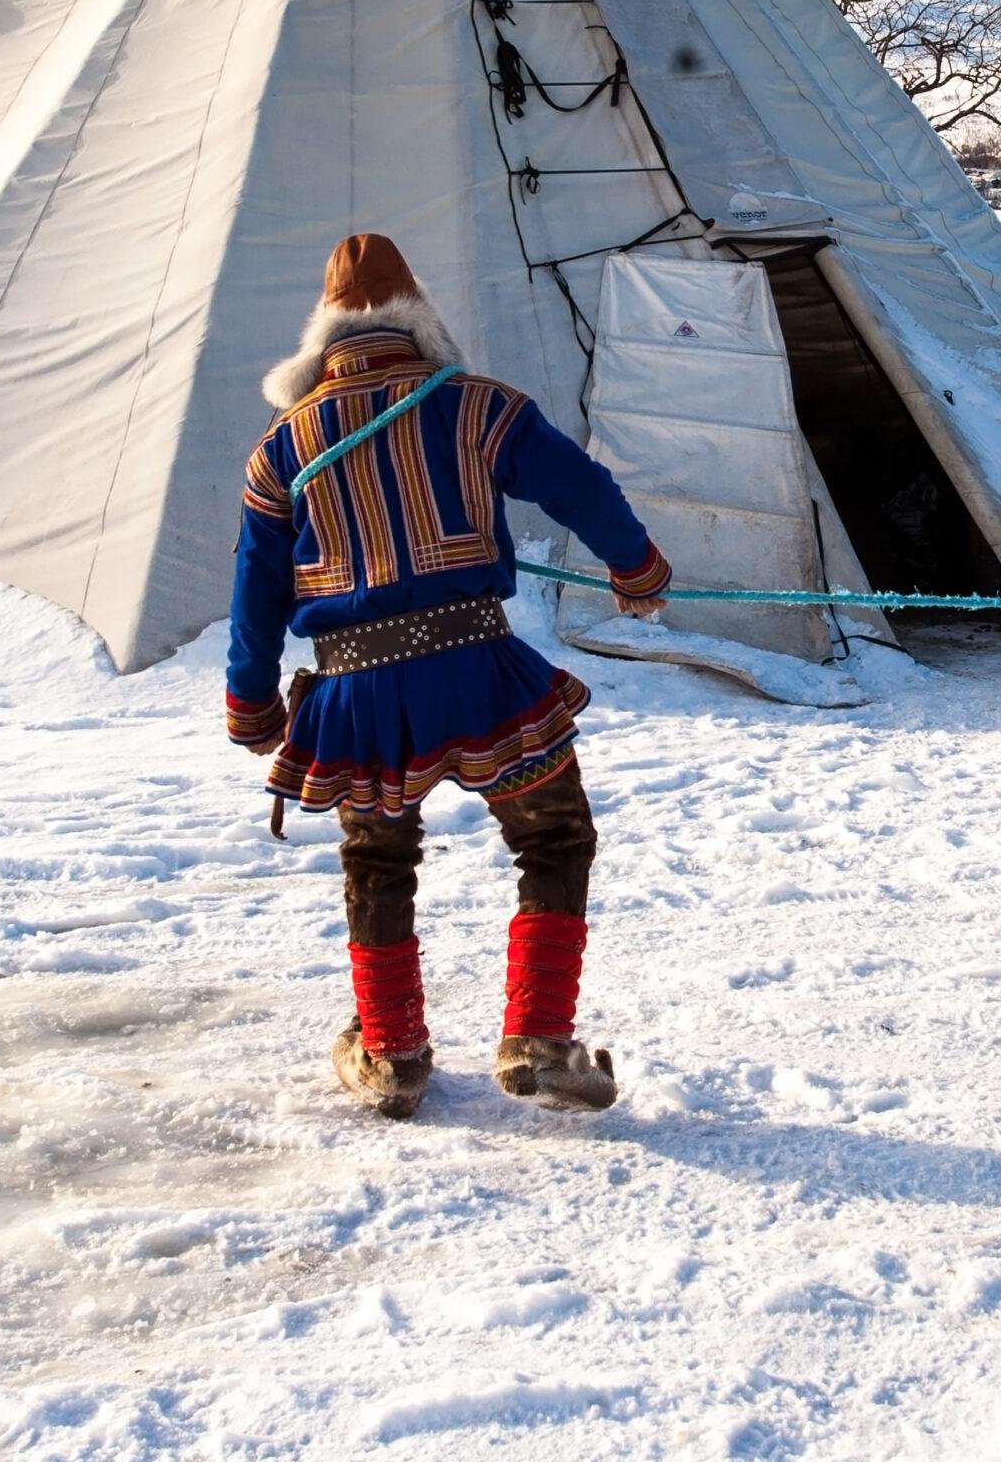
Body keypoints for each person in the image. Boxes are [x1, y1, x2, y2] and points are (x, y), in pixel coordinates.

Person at [225, 234, 671, 1119]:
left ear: (323, 338)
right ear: (418, 318)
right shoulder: (476, 406)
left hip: (356, 692)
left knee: (377, 856)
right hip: (479, 670)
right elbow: (580, 486)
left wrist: (251, 702)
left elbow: (256, 584)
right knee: (552, 838)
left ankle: (392, 1056)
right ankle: (540, 1039)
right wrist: (637, 569)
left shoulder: (282, 445)